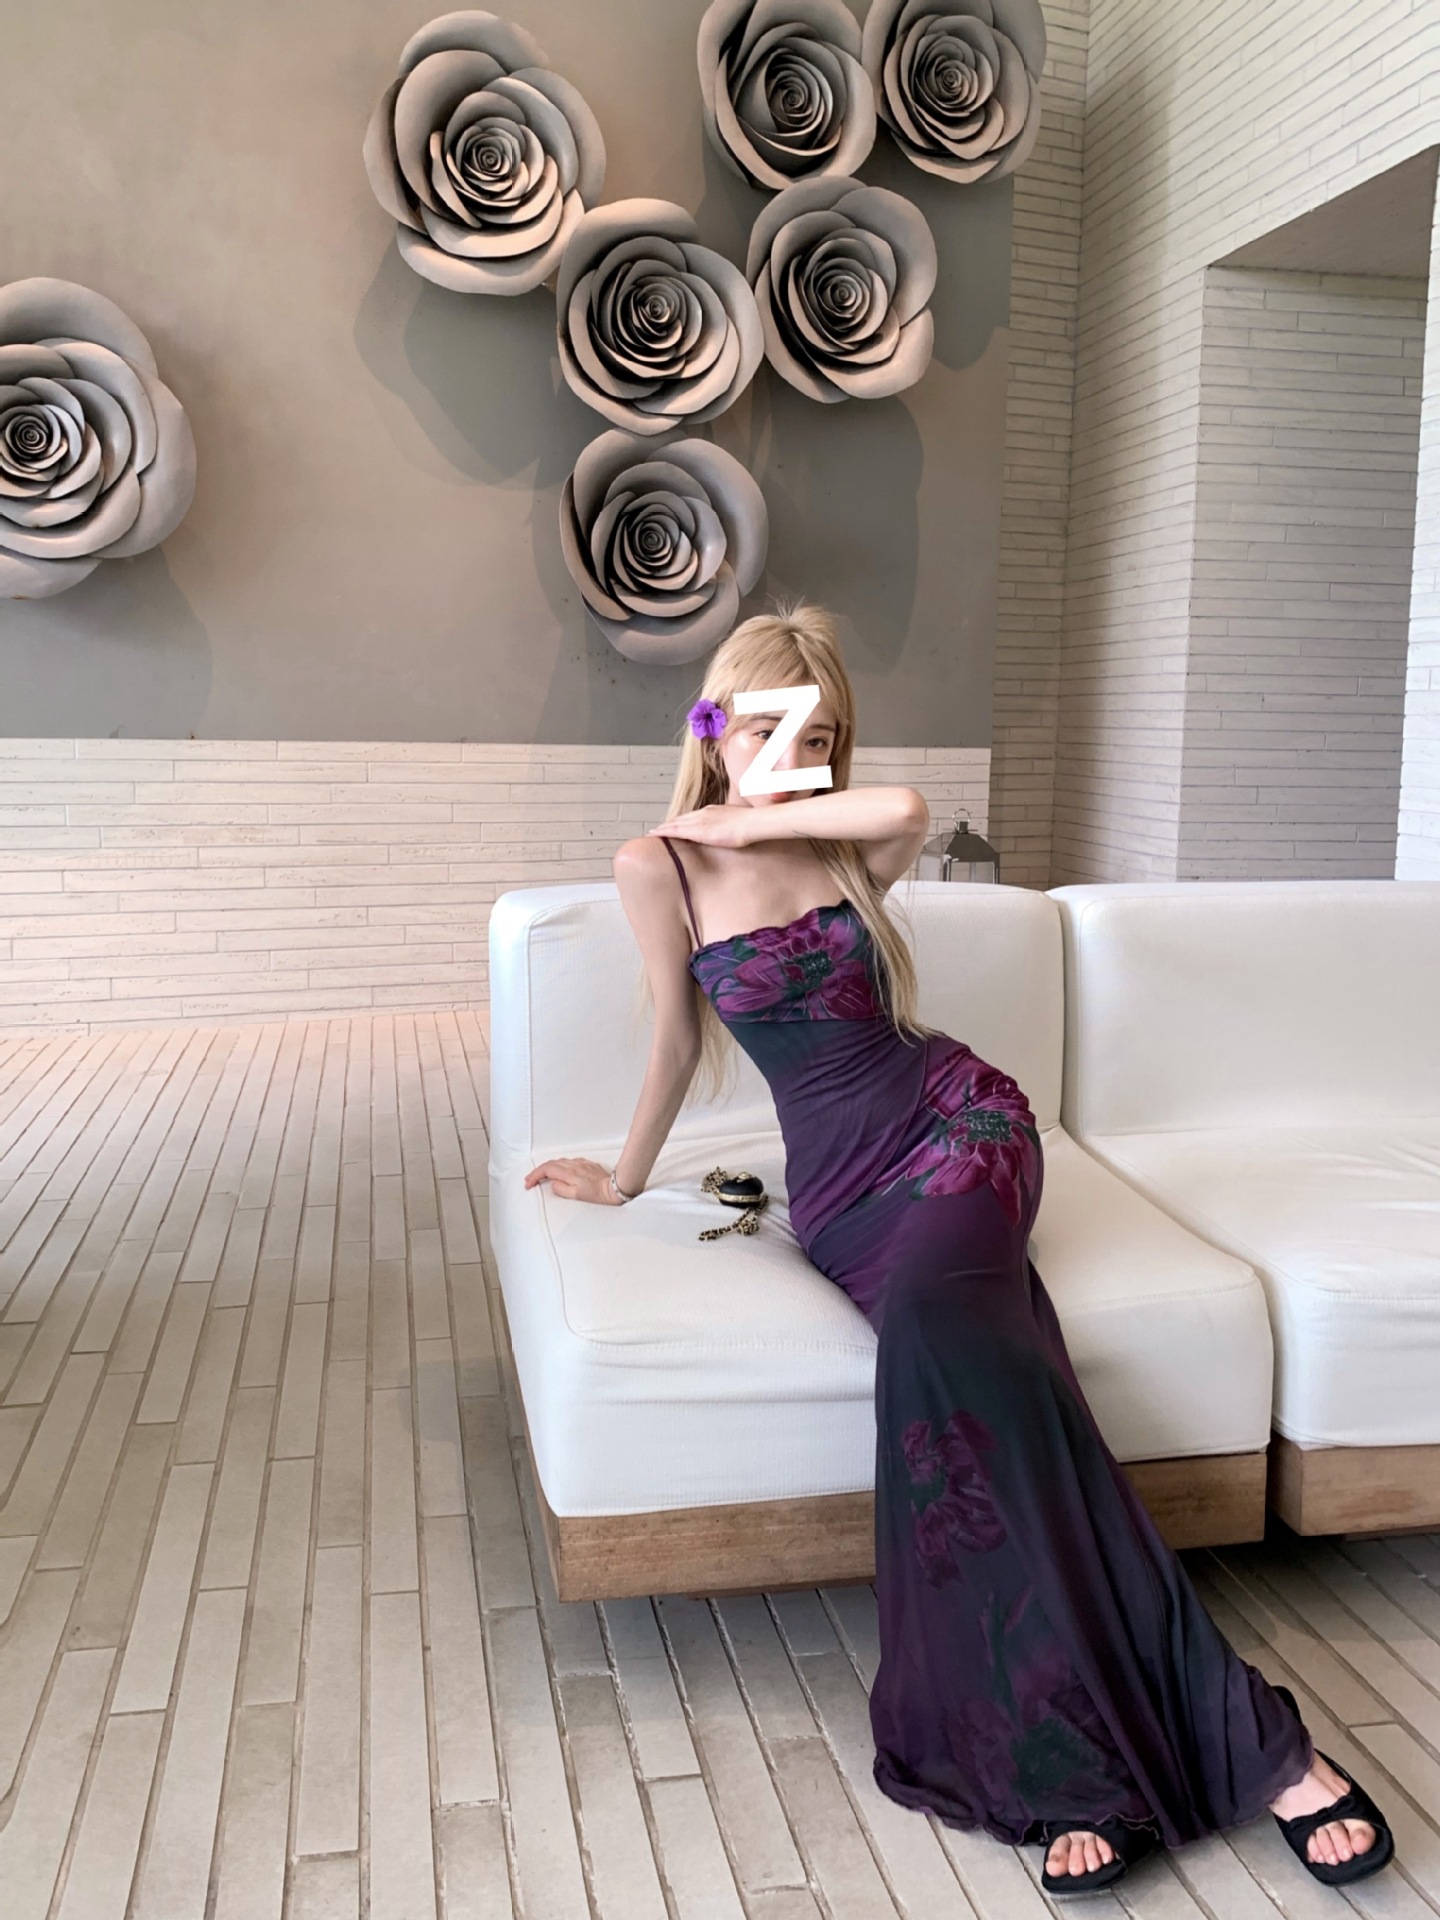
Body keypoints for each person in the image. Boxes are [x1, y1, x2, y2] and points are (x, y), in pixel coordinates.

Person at [524, 603, 1394, 1895]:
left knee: (946, 1348)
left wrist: (754, 810)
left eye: (818, 736)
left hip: (963, 1126)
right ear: (711, 722)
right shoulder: (654, 867)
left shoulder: (841, 836)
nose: (793, 756)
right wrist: (624, 1174)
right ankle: (1232, 1742)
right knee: (993, 1367)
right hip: (844, 1191)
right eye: (763, 729)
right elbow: (672, 1036)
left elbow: (910, 805)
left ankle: (1146, 1758)